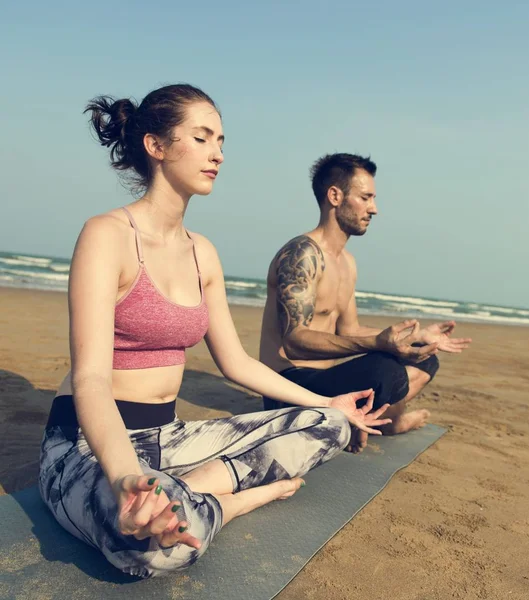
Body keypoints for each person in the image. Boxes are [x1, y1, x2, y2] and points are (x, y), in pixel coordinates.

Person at [38, 87, 391, 579]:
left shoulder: (203, 252)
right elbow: (92, 379)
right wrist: (127, 480)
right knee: (147, 548)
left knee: (328, 425)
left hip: (169, 437)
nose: (217, 153)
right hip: (87, 443)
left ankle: (198, 488)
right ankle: (229, 504)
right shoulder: (107, 236)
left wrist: (325, 403)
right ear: (155, 146)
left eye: (220, 140)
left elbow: (238, 363)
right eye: (201, 138)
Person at [259, 153, 471, 452]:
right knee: (386, 370)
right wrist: (378, 344)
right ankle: (378, 423)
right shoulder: (302, 254)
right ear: (335, 196)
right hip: (289, 387)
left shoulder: (347, 263)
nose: (374, 209)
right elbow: (295, 341)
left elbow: (350, 330)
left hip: (328, 382)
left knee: (425, 357)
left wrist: (415, 338)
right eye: (365, 197)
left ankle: (360, 420)